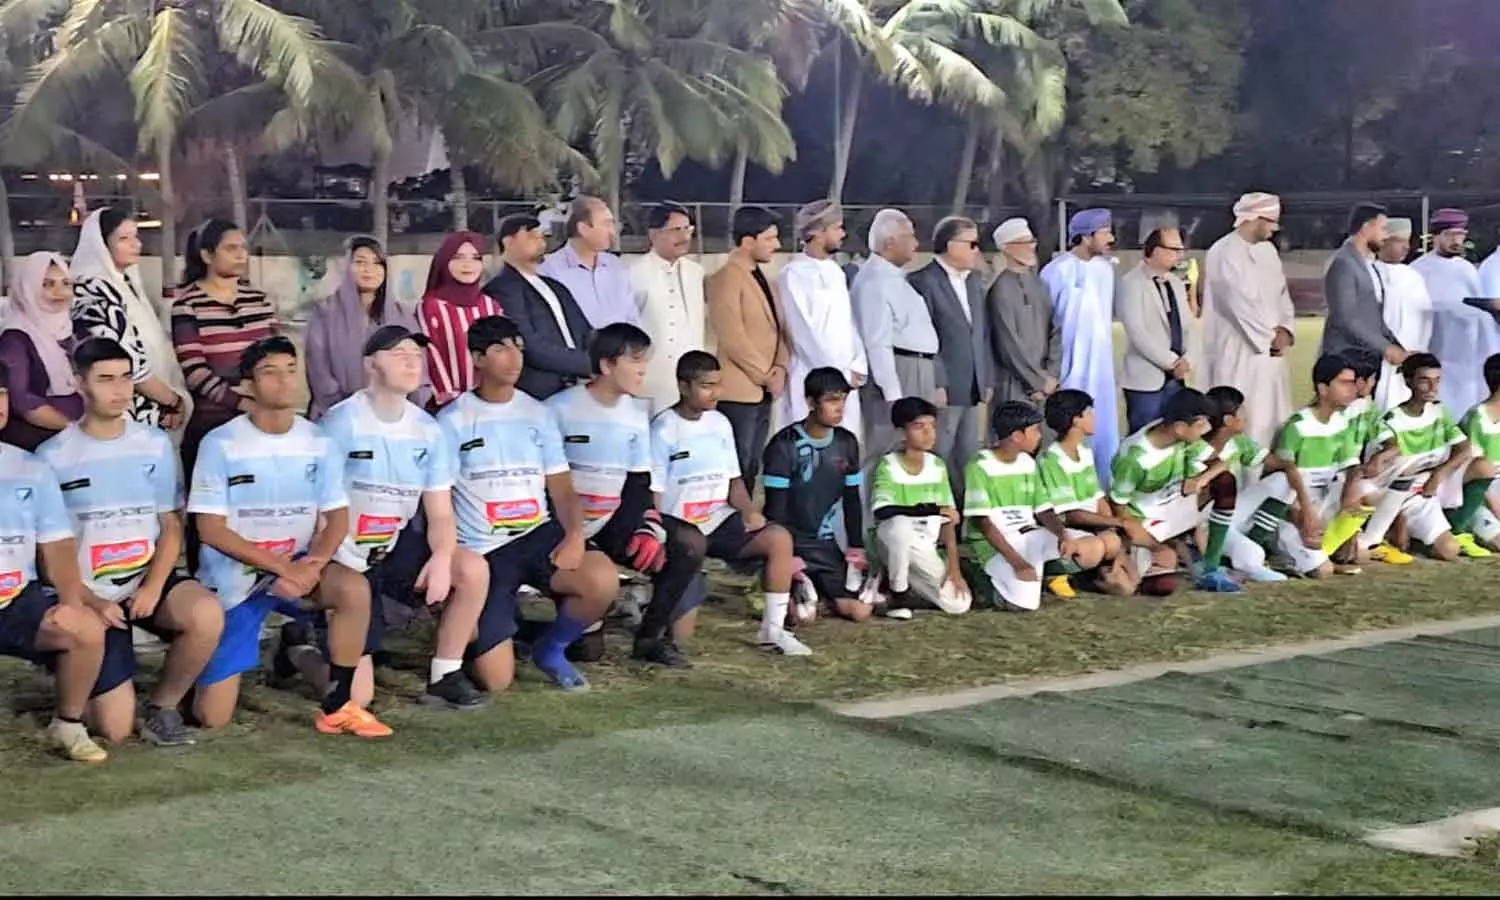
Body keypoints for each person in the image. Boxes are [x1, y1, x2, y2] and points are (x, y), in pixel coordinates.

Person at [275, 325, 490, 713]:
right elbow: (320, 510)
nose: (412, 361)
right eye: (398, 353)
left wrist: (442, 559)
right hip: (344, 554)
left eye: (416, 354)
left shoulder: (428, 428)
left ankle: (445, 674)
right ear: (371, 365)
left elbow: (440, 511)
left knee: (469, 568)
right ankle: (299, 650)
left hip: (391, 546)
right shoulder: (341, 423)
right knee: (359, 697)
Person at [36, 337, 224, 747]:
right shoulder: (52, 456)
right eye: (106, 380)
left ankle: (163, 707)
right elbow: (51, 552)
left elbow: (170, 524)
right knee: (114, 729)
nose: (120, 390)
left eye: (126, 378)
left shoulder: (153, 443)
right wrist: (92, 601)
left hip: (144, 582)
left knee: (207, 614)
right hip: (91, 597)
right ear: (79, 382)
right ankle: (77, 669)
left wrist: (154, 586)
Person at [185, 336, 368, 734]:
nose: (285, 381)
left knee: (354, 589)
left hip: (298, 570)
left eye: (290, 370)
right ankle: (217, 663)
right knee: (211, 719)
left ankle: (336, 702)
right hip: (236, 581)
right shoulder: (220, 443)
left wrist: (313, 565)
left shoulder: (319, 441)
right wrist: (284, 568)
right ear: (247, 385)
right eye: (271, 372)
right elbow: (209, 530)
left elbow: (337, 517)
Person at [437, 316, 620, 693]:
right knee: (496, 681)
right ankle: (488, 630)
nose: (514, 357)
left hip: (537, 536)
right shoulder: (452, 420)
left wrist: (574, 534)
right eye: (501, 348)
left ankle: (550, 650)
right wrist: (450, 561)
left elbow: (562, 487)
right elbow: (439, 502)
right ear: (477, 358)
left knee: (601, 580)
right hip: (485, 551)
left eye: (518, 347)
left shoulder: (538, 413)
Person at [547, 323, 706, 667]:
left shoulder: (636, 415)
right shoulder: (557, 410)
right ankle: (523, 633)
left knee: (689, 543)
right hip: (564, 527)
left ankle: (649, 639)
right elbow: (543, 484)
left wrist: (647, 526)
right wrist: (569, 534)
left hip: (611, 522)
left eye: (644, 360)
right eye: (634, 361)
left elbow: (638, 482)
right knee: (587, 653)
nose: (643, 369)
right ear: (606, 365)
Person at [653, 351, 805, 655]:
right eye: (707, 385)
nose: (716, 393)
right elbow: (654, 490)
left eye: (719, 384)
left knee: (778, 539)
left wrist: (749, 511)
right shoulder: (662, 428)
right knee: (681, 638)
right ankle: (646, 601)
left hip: (718, 520)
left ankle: (772, 631)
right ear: (684, 387)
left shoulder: (721, 423)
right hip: (682, 531)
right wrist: (657, 533)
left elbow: (734, 480)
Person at [0, 361, 115, 762]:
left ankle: (67, 725)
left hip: (16, 599)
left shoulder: (31, 467)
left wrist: (70, 600)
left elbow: (58, 545)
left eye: (0, 396)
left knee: (84, 628)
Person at [170, 219, 279, 514]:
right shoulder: (188, 305)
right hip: (212, 423)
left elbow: (277, 356)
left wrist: (264, 397)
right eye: (231, 249)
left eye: (243, 248)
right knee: (209, 514)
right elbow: (194, 370)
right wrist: (242, 401)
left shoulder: (259, 301)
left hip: (260, 422)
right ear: (207, 255)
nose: (241, 255)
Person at [963, 401, 1103, 611]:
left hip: (1029, 535)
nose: (1039, 435)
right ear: (1017, 436)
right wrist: (1017, 563)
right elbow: (983, 523)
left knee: (1091, 546)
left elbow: (1044, 509)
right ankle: (979, 576)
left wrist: (1062, 534)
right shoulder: (980, 465)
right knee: (1024, 605)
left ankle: (1041, 574)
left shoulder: (1027, 462)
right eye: (1035, 430)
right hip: (994, 544)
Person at [1237, 354, 1364, 579]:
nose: (1353, 388)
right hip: (1295, 504)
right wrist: (1302, 515)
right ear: (1323, 388)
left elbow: (1351, 467)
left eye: (1354, 382)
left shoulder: (1342, 422)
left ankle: (1329, 547)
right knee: (1323, 572)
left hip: (1320, 500)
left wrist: (1350, 513)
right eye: (1345, 383)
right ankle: (1275, 545)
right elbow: (1280, 480)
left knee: (1368, 490)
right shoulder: (1298, 427)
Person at [762, 368, 870, 622]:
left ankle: (819, 590)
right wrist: (786, 556)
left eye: (843, 399)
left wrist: (856, 548)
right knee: (803, 618)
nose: (840, 407)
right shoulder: (783, 445)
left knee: (860, 612)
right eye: (832, 400)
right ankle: (785, 582)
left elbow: (852, 499)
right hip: (791, 544)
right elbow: (775, 509)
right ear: (811, 402)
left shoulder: (847, 442)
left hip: (825, 545)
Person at [1108, 388, 1240, 593]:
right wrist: (1152, 544)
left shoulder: (1183, 438)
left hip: (1176, 506)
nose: (1205, 429)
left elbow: (1222, 463)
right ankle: (1169, 553)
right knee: (1163, 586)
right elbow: (1120, 509)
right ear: (1179, 427)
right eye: (1200, 424)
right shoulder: (1135, 458)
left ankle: (1210, 566)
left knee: (1225, 482)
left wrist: (1200, 479)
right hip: (1146, 521)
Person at [70, 207, 190, 432]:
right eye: (124, 239)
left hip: (152, 410)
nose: (137, 245)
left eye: (136, 236)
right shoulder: (94, 290)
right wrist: (173, 401)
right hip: (122, 415)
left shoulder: (125, 284)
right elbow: (128, 363)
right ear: (101, 245)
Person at [851, 209, 941, 482]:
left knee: (913, 449)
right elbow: (876, 341)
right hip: (899, 369)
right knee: (886, 447)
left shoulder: (895, 278)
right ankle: (869, 519)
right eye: (909, 236)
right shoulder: (874, 281)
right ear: (889, 241)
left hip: (917, 366)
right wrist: (893, 394)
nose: (916, 243)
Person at [909, 216, 993, 502]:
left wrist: (985, 377)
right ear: (950, 244)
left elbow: (981, 335)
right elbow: (925, 337)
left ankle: (962, 519)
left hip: (971, 385)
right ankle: (936, 513)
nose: (976, 250)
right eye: (971, 243)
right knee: (939, 452)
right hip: (943, 387)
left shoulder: (973, 282)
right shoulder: (923, 281)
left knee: (967, 454)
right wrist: (937, 381)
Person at [1202, 192, 1296, 449]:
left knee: (1274, 424)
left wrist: (1286, 330)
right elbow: (1237, 304)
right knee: (1243, 425)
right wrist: (1269, 338)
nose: (1275, 228)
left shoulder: (1268, 252)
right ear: (1253, 218)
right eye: (1271, 221)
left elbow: (1282, 296)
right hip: (1238, 355)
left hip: (1271, 357)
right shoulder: (1223, 252)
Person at [1362, 353, 1477, 561]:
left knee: (1450, 551)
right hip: (1389, 494)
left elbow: (1465, 449)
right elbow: (1386, 469)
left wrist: (1439, 475)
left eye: (1437, 380)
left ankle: (1415, 539)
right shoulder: (1391, 420)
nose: (1433, 387)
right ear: (1408, 382)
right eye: (1425, 380)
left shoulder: (1439, 412)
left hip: (1421, 494)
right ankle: (1389, 531)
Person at [706, 206, 789, 486]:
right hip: (739, 391)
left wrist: (780, 367)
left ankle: (746, 523)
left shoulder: (765, 277)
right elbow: (732, 337)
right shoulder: (726, 277)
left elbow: (780, 329)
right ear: (747, 240)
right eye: (769, 238)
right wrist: (765, 375)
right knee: (737, 465)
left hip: (765, 390)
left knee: (753, 463)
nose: (776, 245)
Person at [304, 235, 428, 420]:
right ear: (346, 268)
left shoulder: (402, 316)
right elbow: (319, 373)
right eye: (360, 262)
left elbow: (418, 370)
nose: (369, 270)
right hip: (338, 417)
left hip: (395, 418)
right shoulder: (325, 313)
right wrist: (349, 413)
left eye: (377, 263)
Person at [777, 199, 868, 445]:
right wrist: (835, 374)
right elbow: (802, 332)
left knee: (845, 447)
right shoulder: (793, 274)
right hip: (813, 376)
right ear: (817, 231)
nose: (843, 234)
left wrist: (857, 364)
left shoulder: (835, 272)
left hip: (847, 378)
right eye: (837, 227)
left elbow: (848, 323)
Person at [1040, 208, 1119, 484]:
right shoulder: (1056, 271)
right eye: (1104, 232)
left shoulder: (1105, 270)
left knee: (1102, 426)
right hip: (1069, 366)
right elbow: (1047, 322)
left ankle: (1102, 488)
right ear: (1086, 237)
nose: (1110, 237)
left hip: (1101, 367)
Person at [869, 396, 970, 614]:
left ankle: (904, 588)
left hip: (924, 547)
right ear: (901, 432)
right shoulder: (888, 465)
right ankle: (898, 595)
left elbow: (948, 521)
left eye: (932, 426)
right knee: (900, 527)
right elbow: (883, 511)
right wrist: (930, 510)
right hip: (891, 541)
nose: (928, 433)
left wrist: (954, 568)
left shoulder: (937, 465)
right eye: (919, 426)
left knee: (959, 604)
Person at [1036, 389, 1139, 597]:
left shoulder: (1084, 452)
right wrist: (1117, 524)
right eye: (1089, 413)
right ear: (1076, 420)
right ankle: (1055, 571)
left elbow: (1097, 497)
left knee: (1120, 561)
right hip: (1065, 529)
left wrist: (1112, 526)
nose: (1094, 418)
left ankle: (1094, 571)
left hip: (1092, 526)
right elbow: (1069, 514)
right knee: (1097, 548)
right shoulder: (1051, 459)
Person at [484, 215, 593, 401]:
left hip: (579, 390)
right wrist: (590, 364)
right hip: (539, 394)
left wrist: (610, 356)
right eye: (531, 235)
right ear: (508, 241)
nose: (540, 240)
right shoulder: (503, 288)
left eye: (542, 235)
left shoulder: (555, 286)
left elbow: (586, 331)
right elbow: (530, 346)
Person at [1198, 386, 1301, 583]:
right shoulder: (1196, 450)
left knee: (1283, 479)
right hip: (1208, 522)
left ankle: (1254, 540)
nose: (1246, 416)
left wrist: (1305, 504)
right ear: (1228, 420)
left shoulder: (1238, 442)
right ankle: (1239, 559)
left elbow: (1281, 465)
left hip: (1235, 509)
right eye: (1241, 412)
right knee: (1252, 555)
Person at [1411, 208, 1500, 417]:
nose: (1457, 241)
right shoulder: (1418, 270)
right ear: (1435, 236)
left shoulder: (1467, 269)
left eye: (1461, 235)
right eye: (1450, 235)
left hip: (1470, 359)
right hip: (1437, 356)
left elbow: (1482, 315)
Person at [0, 252, 83, 450]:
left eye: (66, 283)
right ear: (27, 289)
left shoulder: (72, 330)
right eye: (46, 284)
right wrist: (74, 430)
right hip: (36, 444)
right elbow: (23, 401)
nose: (59, 292)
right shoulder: (15, 338)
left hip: (77, 439)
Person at [629, 203, 706, 414]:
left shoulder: (695, 272)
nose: (684, 236)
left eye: (687, 229)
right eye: (675, 230)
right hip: (650, 377)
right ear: (654, 234)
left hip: (690, 377)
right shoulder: (634, 273)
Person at [418, 231, 504, 411]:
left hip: (492, 404)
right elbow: (430, 354)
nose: (468, 264)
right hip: (448, 407)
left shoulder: (491, 306)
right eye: (458, 257)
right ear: (444, 261)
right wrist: (450, 400)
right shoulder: (431, 306)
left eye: (475, 258)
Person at [1119, 228, 1194, 434]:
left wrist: (1187, 359)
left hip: (1178, 379)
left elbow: (1188, 326)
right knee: (1144, 437)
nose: (1180, 255)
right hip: (1145, 379)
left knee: (1175, 435)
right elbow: (1137, 331)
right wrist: (1171, 362)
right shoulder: (1131, 282)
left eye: (1181, 249)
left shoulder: (1176, 283)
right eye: (1174, 249)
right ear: (1155, 250)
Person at [1321, 203, 1406, 373]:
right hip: (1345, 360)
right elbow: (1345, 318)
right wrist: (1386, 348)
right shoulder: (1343, 263)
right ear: (1366, 227)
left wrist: (1396, 346)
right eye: (1382, 228)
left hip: (1367, 359)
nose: (1386, 235)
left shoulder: (1368, 264)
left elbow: (1375, 317)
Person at [986, 217, 1060, 409]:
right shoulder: (1000, 289)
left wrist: (1051, 375)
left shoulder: (1039, 284)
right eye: (1024, 243)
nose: (1031, 247)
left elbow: (1056, 329)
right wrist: (1037, 381)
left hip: (1046, 383)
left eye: (1032, 241)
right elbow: (1008, 344)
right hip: (1013, 382)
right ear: (1006, 248)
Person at [539, 195, 639, 329]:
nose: (613, 232)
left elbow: (631, 315)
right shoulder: (549, 269)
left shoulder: (615, 265)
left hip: (622, 347)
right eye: (607, 224)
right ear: (583, 229)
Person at [1373, 218, 1433, 410]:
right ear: (1383, 241)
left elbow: (1425, 318)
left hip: (1411, 360)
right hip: (1379, 360)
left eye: (1408, 241)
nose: (1406, 247)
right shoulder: (1370, 273)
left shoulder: (1414, 276)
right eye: (1399, 241)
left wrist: (1418, 351)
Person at [1449, 353, 1500, 550]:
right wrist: (1495, 506)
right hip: (1479, 495)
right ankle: (1459, 526)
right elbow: (1477, 470)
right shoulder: (1476, 417)